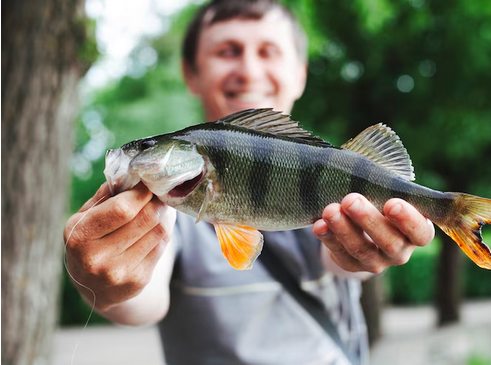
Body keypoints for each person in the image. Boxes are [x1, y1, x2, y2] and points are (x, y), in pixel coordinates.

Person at [64, 0, 435, 364]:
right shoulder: (168, 212)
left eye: (269, 51)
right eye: (228, 51)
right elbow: (143, 301)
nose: (249, 70)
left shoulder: (333, 171)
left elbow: (338, 261)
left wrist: (365, 250)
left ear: (300, 74)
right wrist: (106, 285)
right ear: (190, 73)